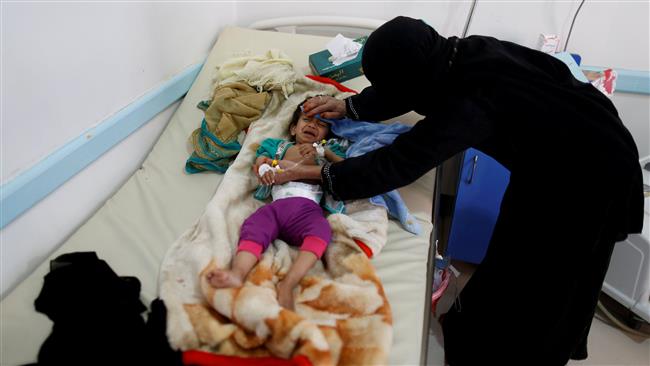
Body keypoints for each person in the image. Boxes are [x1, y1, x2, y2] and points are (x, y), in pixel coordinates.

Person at [272, 16, 644, 365]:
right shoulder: (457, 55)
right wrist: (351, 106)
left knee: (549, 280)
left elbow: (400, 161)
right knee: (510, 250)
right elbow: (407, 86)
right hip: (563, 152)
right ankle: (475, 332)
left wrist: (322, 174)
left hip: (588, 176)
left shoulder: (470, 103)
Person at [206, 100, 345, 310]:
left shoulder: (325, 151)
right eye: (306, 120)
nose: (312, 125)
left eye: (320, 124)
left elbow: (346, 169)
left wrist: (323, 153)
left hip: (307, 209)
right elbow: (260, 161)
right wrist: (263, 169)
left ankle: (288, 284)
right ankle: (237, 273)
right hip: (276, 208)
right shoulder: (278, 147)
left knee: (322, 230)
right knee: (254, 225)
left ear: (327, 134)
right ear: (293, 128)